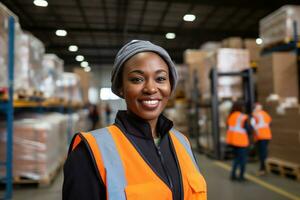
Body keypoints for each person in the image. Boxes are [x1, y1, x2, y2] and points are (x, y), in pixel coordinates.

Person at [63, 40, 207, 200]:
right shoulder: (89, 152)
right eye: (137, 79)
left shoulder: (182, 142)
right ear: (120, 88)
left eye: (160, 79)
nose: (151, 89)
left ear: (170, 86)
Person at [226, 102, 250, 181]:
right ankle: (241, 176)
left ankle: (233, 175)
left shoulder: (230, 116)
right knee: (243, 160)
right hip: (241, 142)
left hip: (233, 141)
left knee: (236, 158)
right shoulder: (242, 117)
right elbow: (248, 129)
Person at [252, 103, 272, 176]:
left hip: (260, 137)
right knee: (264, 153)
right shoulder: (265, 114)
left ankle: (262, 170)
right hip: (267, 136)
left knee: (261, 154)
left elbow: (254, 126)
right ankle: (264, 168)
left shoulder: (255, 115)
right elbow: (269, 123)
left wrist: (257, 135)